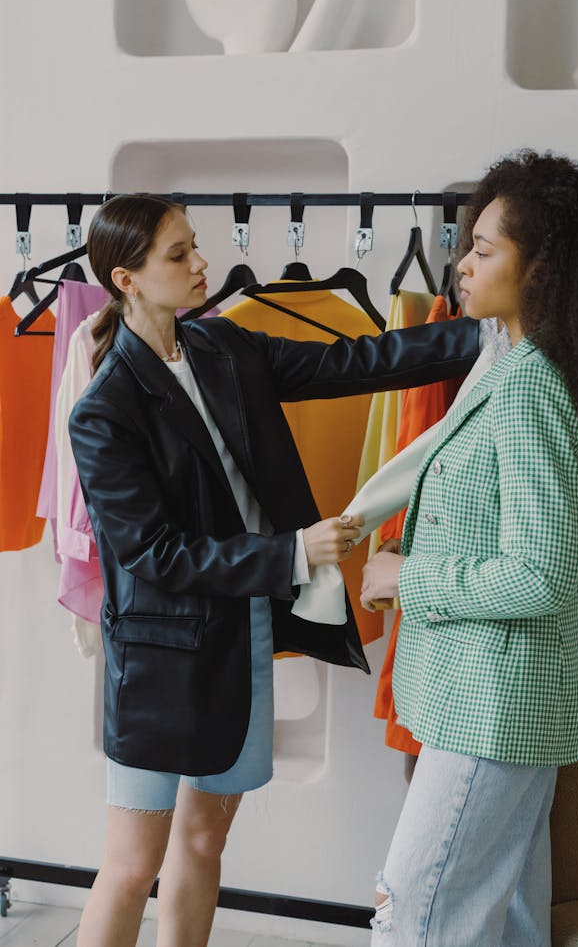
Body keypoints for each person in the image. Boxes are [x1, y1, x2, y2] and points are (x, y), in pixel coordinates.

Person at [67, 193, 479, 947]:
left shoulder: (229, 347)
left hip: (242, 636)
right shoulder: (104, 409)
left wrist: (489, 332)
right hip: (157, 668)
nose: (202, 265)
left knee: (203, 844)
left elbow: (360, 361)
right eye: (179, 255)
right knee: (130, 868)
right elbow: (151, 555)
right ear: (126, 280)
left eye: (196, 245)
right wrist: (291, 554)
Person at [360, 149, 578, 946]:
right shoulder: (500, 361)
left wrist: (409, 574)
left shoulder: (533, 388)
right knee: (509, 918)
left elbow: (543, 576)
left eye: (484, 249)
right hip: (488, 698)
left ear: (544, 269)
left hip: (497, 705)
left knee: (415, 918)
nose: (462, 263)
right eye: (468, 245)